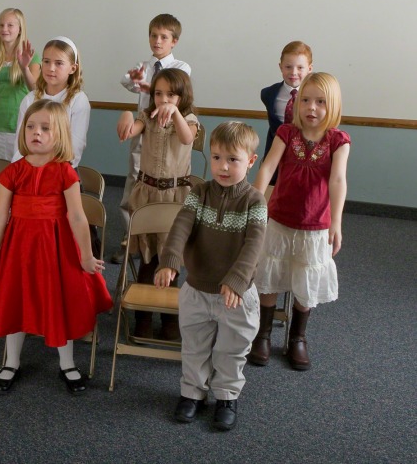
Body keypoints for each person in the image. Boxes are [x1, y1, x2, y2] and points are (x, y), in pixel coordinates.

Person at [0, 100, 113, 395]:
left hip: (56, 247)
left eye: (45, 128)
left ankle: (67, 364)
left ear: (60, 134)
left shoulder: (65, 172)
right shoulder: (13, 172)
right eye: (31, 126)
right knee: (17, 300)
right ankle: (10, 362)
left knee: (57, 300)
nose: (36, 132)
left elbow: (77, 216)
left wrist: (86, 256)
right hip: (18, 247)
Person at [154, 121, 267, 431]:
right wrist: (171, 260)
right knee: (194, 347)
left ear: (251, 161)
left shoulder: (255, 201)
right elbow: (181, 226)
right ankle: (192, 393)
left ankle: (227, 397)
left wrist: (237, 279)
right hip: (197, 290)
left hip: (236, 296)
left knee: (231, 349)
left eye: (233, 159)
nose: (223, 166)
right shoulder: (199, 192)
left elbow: (254, 244)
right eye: (217, 158)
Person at [251, 72, 350, 371]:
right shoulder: (286, 133)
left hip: (315, 226)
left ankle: (297, 338)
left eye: (320, 102)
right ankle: (263, 334)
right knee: (270, 275)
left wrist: (336, 222)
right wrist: (255, 203)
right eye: (306, 100)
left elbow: (338, 180)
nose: (312, 108)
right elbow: (267, 168)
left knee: (306, 282)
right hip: (279, 219)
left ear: (331, 105)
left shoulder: (338, 141)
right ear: (296, 103)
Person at [118, 69, 198, 340]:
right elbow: (131, 131)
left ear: (182, 96)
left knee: (170, 258)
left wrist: (174, 113)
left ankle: (169, 319)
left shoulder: (189, 119)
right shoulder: (147, 117)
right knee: (147, 258)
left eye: (171, 95)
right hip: (148, 194)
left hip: (174, 198)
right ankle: (142, 316)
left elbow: (187, 138)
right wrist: (128, 116)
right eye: (158, 94)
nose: (164, 100)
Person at [112, 14, 192, 263]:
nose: (157, 41)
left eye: (163, 37)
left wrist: (147, 84)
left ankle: (165, 243)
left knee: (166, 195)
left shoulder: (180, 66)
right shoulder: (144, 65)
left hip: (170, 135)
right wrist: (142, 82)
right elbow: (127, 81)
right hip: (144, 127)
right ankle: (132, 234)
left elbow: (175, 85)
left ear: (174, 41)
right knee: (135, 182)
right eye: (153, 35)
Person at [12, 37, 89, 168]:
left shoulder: (78, 100)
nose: (51, 68)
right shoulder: (30, 99)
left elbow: (74, 148)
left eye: (59, 63)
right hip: (29, 169)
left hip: (61, 172)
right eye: (46, 61)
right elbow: (20, 143)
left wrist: (47, 169)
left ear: (72, 68)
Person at [0, 8, 41, 163]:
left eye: (10, 25)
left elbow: (35, 89)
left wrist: (24, 67)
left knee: (19, 172)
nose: (4, 29)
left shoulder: (32, 57)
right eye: (1, 25)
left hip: (20, 124)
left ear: (20, 29)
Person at [260, 41, 313, 191]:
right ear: (280, 67)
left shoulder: (317, 96)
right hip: (275, 157)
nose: (293, 72)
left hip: (305, 155)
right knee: (273, 195)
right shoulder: (268, 94)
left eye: (300, 67)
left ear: (309, 69)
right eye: (288, 67)